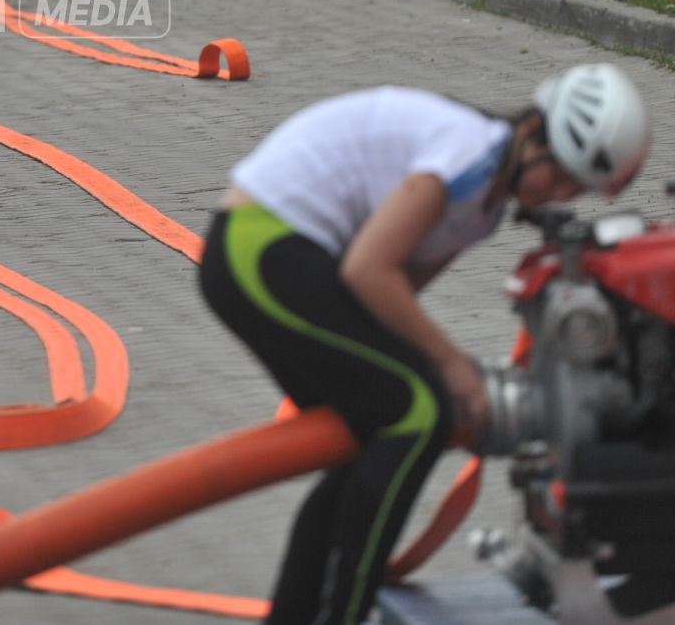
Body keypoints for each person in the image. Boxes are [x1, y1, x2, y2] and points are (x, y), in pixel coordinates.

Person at [197, 63, 651, 625]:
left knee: (365, 440)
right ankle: (344, 613)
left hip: (278, 254)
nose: (558, 195)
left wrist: (442, 374)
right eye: (558, 176)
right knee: (416, 416)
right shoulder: (469, 154)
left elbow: (393, 302)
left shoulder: (484, 205)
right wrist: (455, 371)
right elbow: (369, 272)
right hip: (259, 248)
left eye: (576, 188)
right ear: (533, 131)